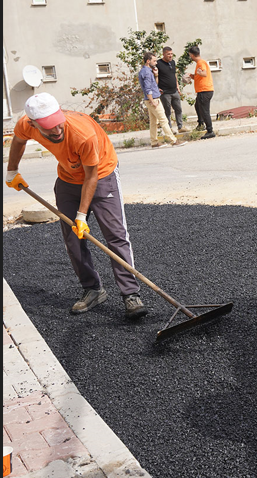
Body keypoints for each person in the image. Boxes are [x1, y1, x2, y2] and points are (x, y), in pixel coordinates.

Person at [5, 93, 149, 320]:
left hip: (102, 175)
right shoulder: (26, 124)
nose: (56, 130)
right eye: (48, 128)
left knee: (115, 235)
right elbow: (18, 141)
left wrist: (82, 215)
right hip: (68, 178)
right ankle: (93, 289)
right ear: (33, 123)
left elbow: (91, 176)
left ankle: (130, 295)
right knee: (73, 238)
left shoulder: (83, 133)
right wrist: (12, 170)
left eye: (57, 123)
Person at [138, 51, 187, 148]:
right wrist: (152, 101)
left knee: (153, 122)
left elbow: (153, 85)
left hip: (151, 98)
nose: (156, 63)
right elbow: (148, 88)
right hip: (153, 100)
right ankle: (173, 140)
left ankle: (154, 142)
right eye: (154, 61)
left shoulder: (144, 71)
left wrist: (156, 76)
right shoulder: (147, 73)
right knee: (163, 120)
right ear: (148, 61)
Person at [156, 46, 189, 133]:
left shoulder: (172, 62)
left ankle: (180, 127)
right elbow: (155, 76)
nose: (170, 56)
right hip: (165, 92)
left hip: (174, 91)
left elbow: (174, 75)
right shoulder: (158, 64)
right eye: (168, 54)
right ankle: (169, 128)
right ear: (164, 54)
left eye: (171, 54)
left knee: (178, 109)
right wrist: (157, 88)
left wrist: (177, 86)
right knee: (167, 111)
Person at [188, 46, 215, 139]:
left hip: (205, 91)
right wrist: (192, 76)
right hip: (203, 90)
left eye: (190, 55)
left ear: (191, 55)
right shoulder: (201, 62)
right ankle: (201, 124)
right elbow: (199, 76)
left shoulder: (200, 62)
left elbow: (204, 73)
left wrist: (199, 73)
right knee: (197, 106)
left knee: (204, 111)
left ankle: (210, 131)